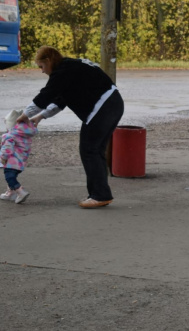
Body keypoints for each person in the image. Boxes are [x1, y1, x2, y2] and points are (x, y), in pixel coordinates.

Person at [17, 46, 124, 209]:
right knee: (95, 150)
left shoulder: (63, 70)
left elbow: (46, 94)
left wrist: (25, 115)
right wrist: (40, 116)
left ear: (48, 61)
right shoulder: (69, 68)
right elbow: (61, 99)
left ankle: (99, 195)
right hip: (112, 104)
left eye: (41, 67)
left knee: (89, 150)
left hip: (103, 107)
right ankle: (100, 194)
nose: (42, 71)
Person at [0, 109, 36, 204]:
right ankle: (10, 193)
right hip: (21, 161)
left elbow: (7, 148)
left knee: (9, 177)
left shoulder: (9, 135)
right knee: (12, 176)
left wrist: (3, 157)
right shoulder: (25, 135)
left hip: (11, 161)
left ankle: (20, 191)